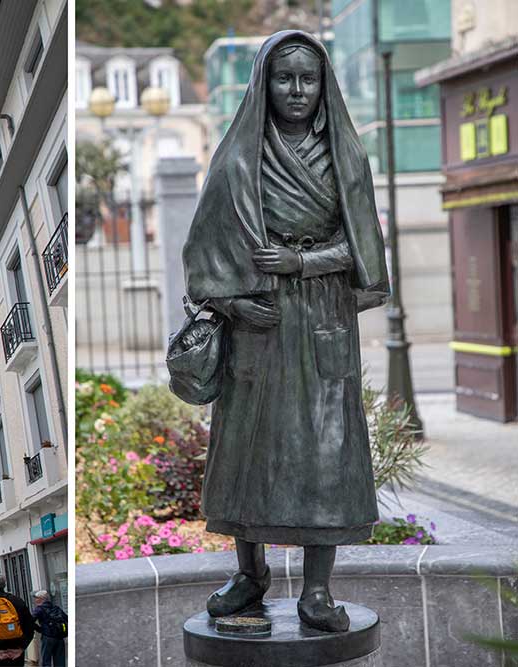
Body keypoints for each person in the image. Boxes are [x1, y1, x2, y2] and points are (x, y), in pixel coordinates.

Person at [180, 30, 389, 633]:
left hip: (323, 319)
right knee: (248, 452)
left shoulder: (346, 156)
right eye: (284, 78)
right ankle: (251, 574)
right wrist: (237, 306)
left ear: (323, 86)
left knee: (329, 453)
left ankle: (318, 590)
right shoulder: (238, 157)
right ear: (263, 85)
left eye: (308, 79)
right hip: (259, 327)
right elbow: (207, 250)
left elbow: (364, 250)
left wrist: (304, 263)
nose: (296, 90)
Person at [32, 591, 66, 666]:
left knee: (46, 662)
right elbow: (66, 619)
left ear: (41, 599)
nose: (35, 600)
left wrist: (39, 629)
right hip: (59, 638)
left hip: (47, 638)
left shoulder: (39, 609)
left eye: (36, 598)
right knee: (60, 662)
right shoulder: (56, 608)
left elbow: (30, 621)